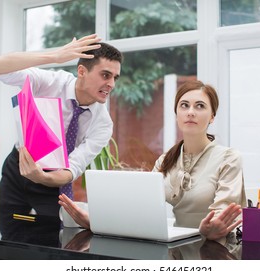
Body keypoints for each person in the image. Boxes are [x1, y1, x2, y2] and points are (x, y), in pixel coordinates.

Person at [59, 80, 246, 241]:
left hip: (217, 251)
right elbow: (141, 210)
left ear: (212, 116)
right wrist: (97, 222)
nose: (190, 112)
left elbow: (223, 216)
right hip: (178, 249)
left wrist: (211, 228)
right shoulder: (166, 160)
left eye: (200, 106)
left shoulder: (228, 158)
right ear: (176, 114)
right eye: (184, 105)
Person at [0, 34, 123, 217]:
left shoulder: (103, 124)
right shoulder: (50, 82)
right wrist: (54, 56)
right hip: (17, 171)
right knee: (4, 231)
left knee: (51, 239)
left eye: (115, 77)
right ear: (81, 71)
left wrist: (42, 177)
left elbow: (72, 168)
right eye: (105, 75)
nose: (111, 84)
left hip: (52, 181)